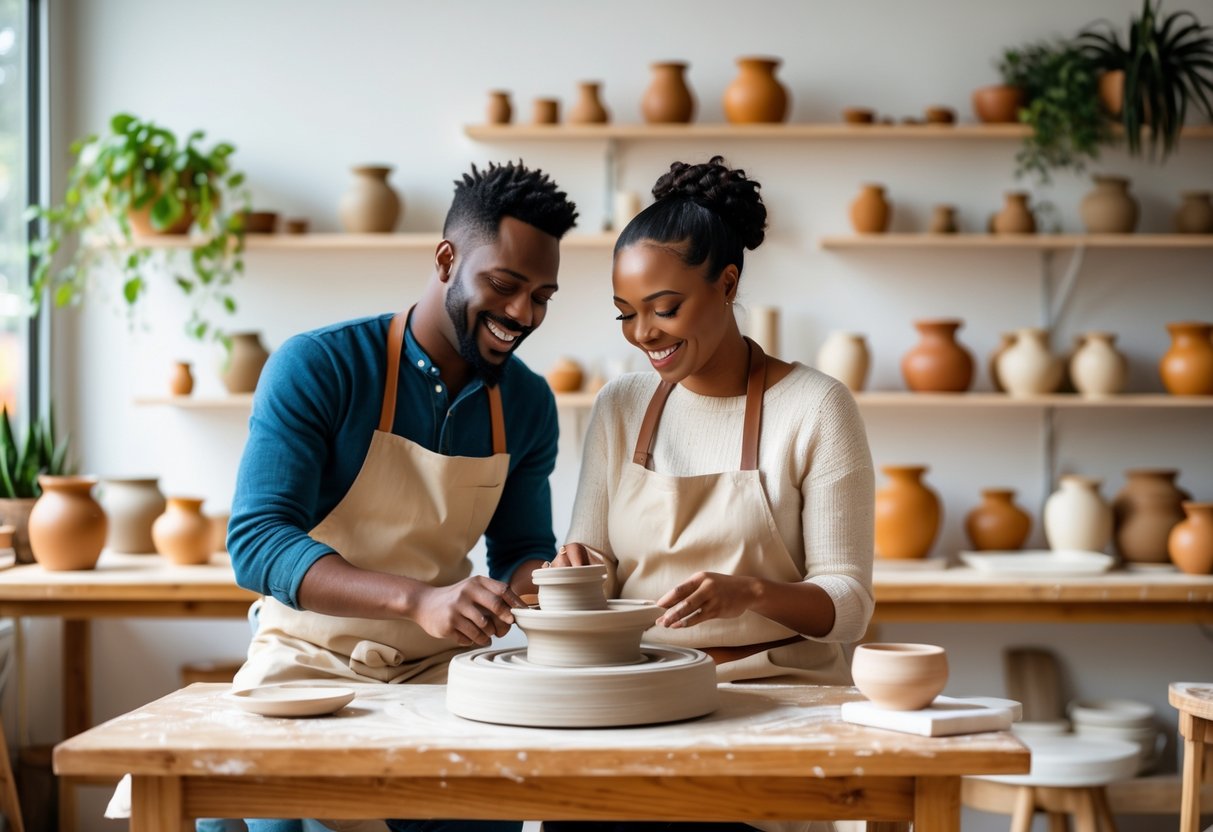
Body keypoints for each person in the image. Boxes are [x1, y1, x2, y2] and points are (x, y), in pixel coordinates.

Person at [224, 160, 578, 832]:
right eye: (504, 285)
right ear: (446, 259)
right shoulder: (321, 366)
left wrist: (556, 581)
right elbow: (257, 542)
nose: (521, 314)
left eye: (541, 296)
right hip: (309, 658)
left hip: (438, 668)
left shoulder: (526, 402)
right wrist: (418, 599)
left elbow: (519, 552)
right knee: (280, 810)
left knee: (499, 800)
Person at [547, 157, 874, 832]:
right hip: (637, 694)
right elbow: (591, 562)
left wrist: (749, 592)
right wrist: (576, 569)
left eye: (664, 309)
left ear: (727, 284)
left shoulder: (814, 407)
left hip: (775, 703)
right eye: (625, 315)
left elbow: (849, 605)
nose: (644, 335)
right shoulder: (619, 404)